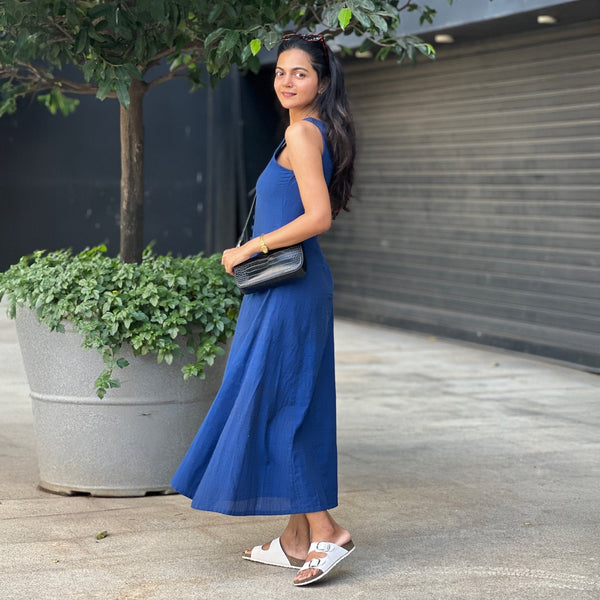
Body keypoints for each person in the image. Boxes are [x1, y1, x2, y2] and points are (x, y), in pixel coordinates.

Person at [171, 32, 356, 587]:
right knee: (286, 399)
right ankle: (297, 539)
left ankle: (327, 532)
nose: (285, 81)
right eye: (280, 72)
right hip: (290, 289)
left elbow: (318, 217)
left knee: (279, 406)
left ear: (321, 80)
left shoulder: (303, 133)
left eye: (298, 72)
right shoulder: (308, 131)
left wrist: (250, 246)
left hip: (289, 290)